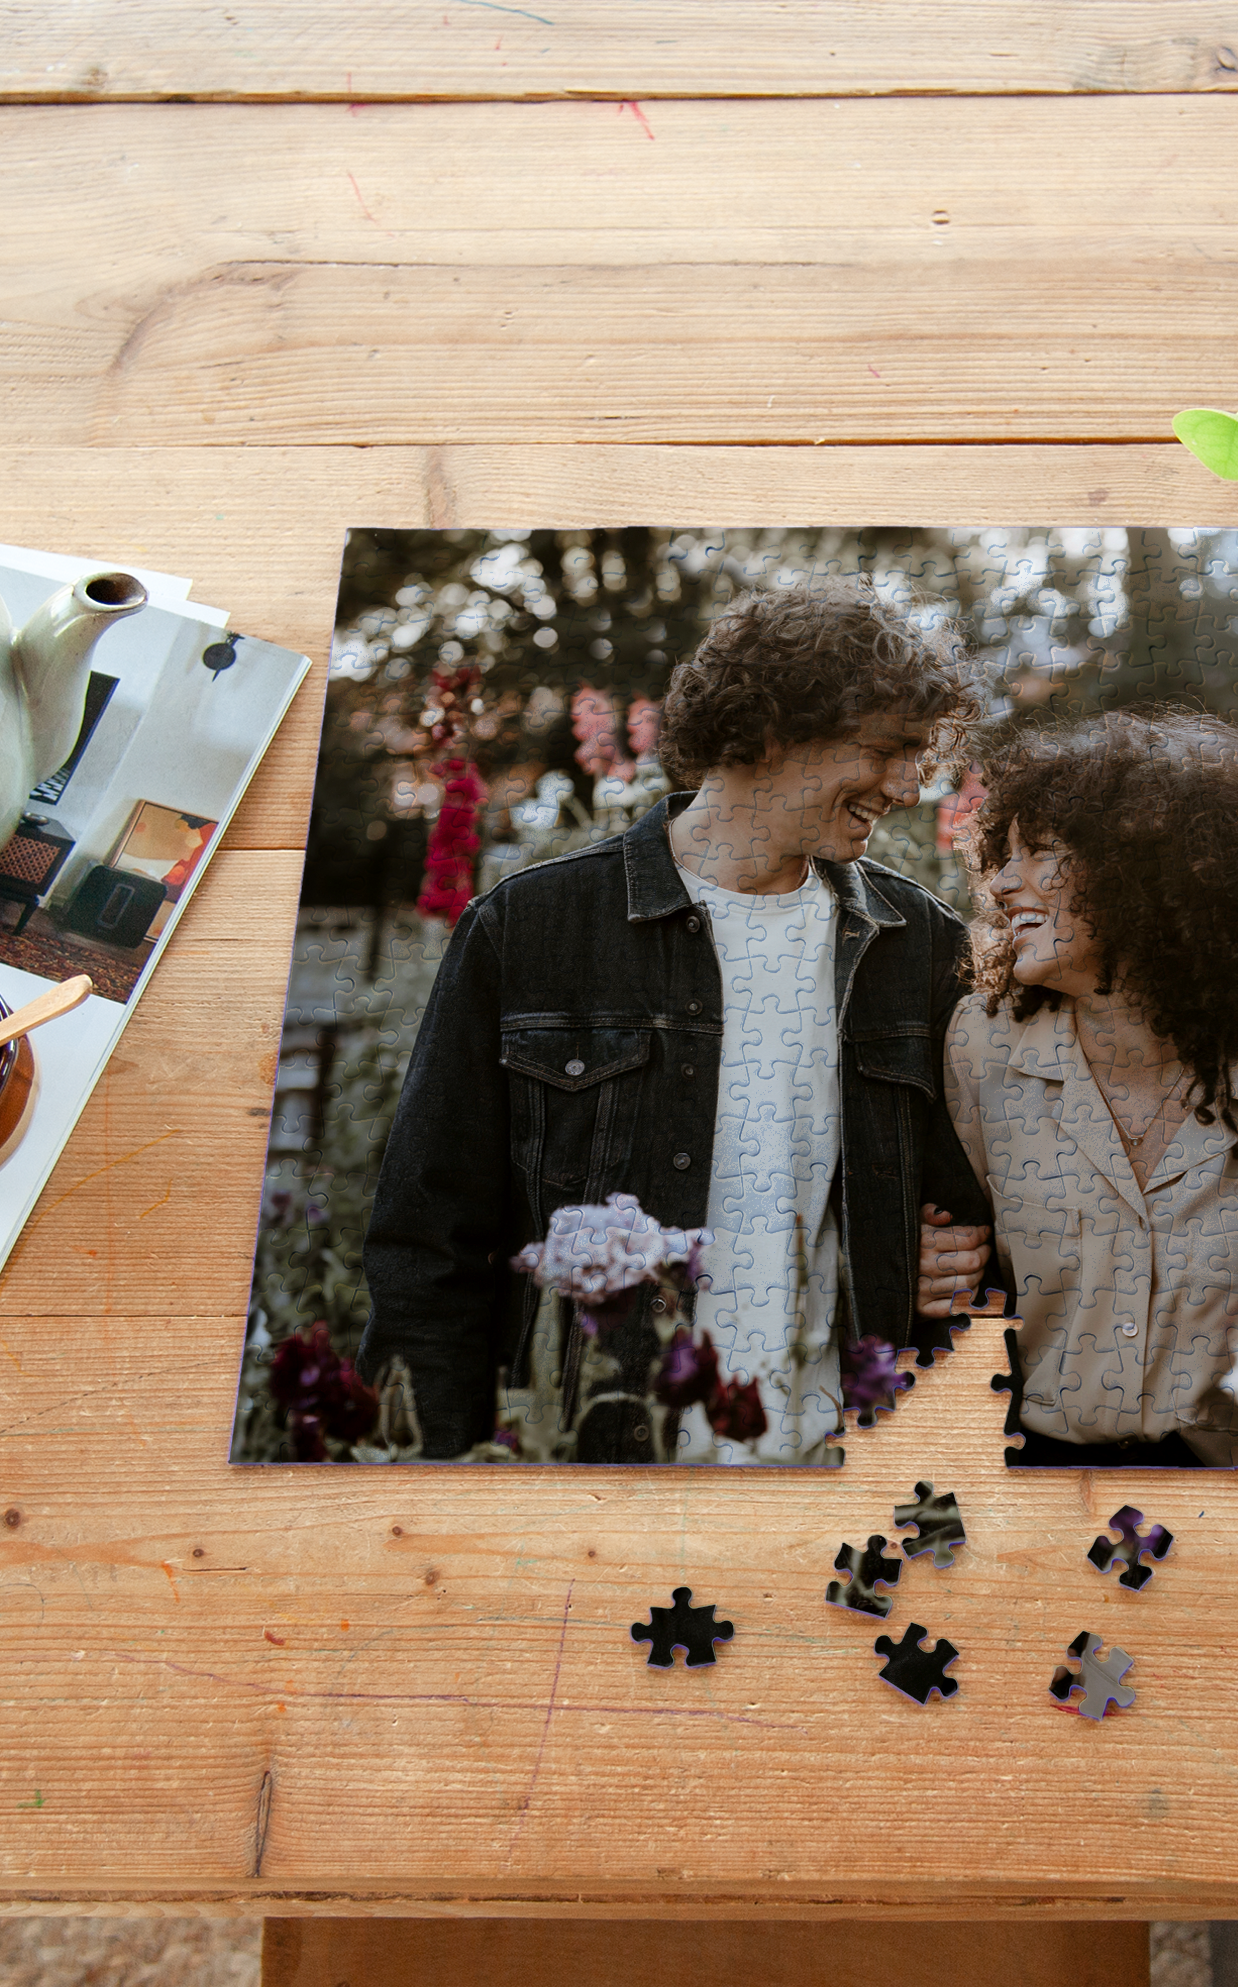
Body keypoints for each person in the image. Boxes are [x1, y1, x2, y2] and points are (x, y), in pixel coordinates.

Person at [361, 582, 993, 1462]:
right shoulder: (532, 930)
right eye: (888, 750)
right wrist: (429, 1474)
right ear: (773, 728)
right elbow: (429, 1246)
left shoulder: (918, 943)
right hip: (599, 1465)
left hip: (839, 1467)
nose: (909, 786)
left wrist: (962, 1260)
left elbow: (996, 1198)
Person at [946, 709, 1238, 1468]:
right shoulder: (981, 1045)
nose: (1000, 882)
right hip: (1026, 1484)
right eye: (1003, 853)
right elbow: (952, 1279)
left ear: (1154, 874)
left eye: (1039, 853)